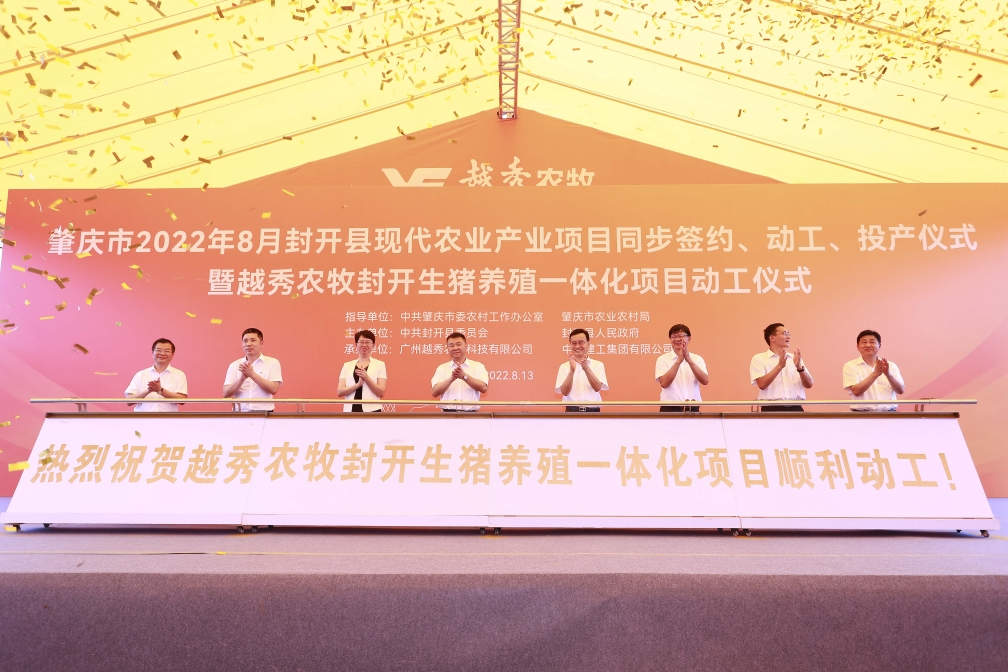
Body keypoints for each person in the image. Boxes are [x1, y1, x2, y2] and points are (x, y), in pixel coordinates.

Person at [750, 323, 813, 412]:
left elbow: (809, 384)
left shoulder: (795, 358)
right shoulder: (759, 358)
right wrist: (779, 366)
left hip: (796, 409)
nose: (788, 337)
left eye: (789, 334)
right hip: (771, 409)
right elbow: (761, 384)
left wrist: (799, 368)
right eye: (784, 333)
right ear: (772, 338)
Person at [843, 329, 905, 411]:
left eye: (872, 342)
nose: (868, 345)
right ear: (858, 347)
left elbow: (900, 390)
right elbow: (856, 391)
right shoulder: (850, 366)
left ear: (879, 346)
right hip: (861, 414)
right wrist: (875, 374)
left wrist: (888, 375)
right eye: (864, 342)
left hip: (889, 414)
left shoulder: (890, 365)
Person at [223, 327, 283, 411]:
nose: (248, 344)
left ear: (261, 343)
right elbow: (226, 393)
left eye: (253, 340)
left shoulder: (272, 362)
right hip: (239, 414)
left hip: (265, 414)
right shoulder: (235, 365)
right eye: (245, 341)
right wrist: (241, 379)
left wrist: (252, 374)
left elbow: (274, 389)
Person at [655, 324, 709, 413]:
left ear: (689, 338)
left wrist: (689, 360)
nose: (677, 339)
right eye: (674, 336)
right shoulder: (663, 359)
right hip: (669, 410)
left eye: (681, 336)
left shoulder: (697, 359)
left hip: (693, 410)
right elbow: (664, 383)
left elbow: (705, 381)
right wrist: (679, 360)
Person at [124, 338, 188, 411]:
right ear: (153, 353)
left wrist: (160, 390)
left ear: (172, 354)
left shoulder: (179, 374)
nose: (162, 353)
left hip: (168, 417)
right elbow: (129, 401)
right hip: (143, 417)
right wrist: (148, 390)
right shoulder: (141, 374)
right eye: (159, 350)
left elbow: (182, 400)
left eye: (167, 351)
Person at [430, 332, 489, 412]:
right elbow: (434, 392)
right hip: (447, 414)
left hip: (471, 415)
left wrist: (464, 376)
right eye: (451, 345)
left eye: (458, 344)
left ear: (466, 346)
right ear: (447, 348)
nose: (455, 348)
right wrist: (451, 379)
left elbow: (483, 388)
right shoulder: (442, 368)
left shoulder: (478, 366)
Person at [556, 328, 608, 412]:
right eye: (574, 343)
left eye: (581, 342)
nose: (577, 346)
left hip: (593, 412)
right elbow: (564, 392)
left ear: (588, 343)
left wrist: (586, 368)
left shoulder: (598, 365)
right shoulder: (564, 366)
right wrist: (571, 371)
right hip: (571, 411)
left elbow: (597, 388)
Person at [337, 329, 387, 412]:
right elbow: (340, 392)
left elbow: (381, 392)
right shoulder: (347, 365)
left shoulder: (380, 364)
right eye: (361, 342)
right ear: (356, 345)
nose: (364, 345)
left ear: (373, 345)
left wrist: (366, 378)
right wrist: (357, 385)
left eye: (367, 342)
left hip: (372, 410)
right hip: (350, 411)